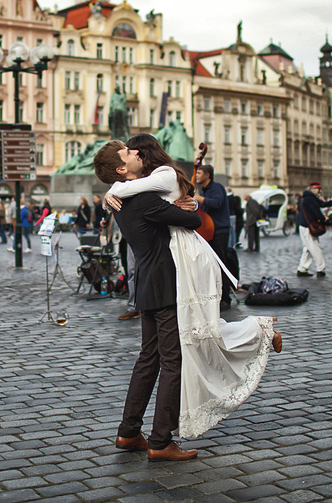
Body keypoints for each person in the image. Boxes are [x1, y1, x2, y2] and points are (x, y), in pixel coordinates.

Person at [95, 137, 280, 460]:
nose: (135, 151)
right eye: (128, 151)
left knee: (147, 360)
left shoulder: (122, 201)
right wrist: (190, 208)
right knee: (171, 362)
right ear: (122, 168)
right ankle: (160, 441)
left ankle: (128, 432)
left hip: (146, 286)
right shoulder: (145, 199)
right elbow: (193, 222)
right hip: (167, 284)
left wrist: (111, 192)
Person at [194, 164, 233, 310]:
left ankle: (226, 298)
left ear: (207, 175)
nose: (197, 175)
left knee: (221, 264)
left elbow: (216, 203)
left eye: (199, 173)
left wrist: (198, 198)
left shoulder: (216, 188)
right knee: (211, 265)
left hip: (219, 230)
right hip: (209, 231)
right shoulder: (205, 190)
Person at [295, 181, 332, 278]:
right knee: (315, 248)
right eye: (318, 189)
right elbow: (317, 212)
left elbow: (322, 204)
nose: (320, 191)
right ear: (313, 189)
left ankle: (302, 268)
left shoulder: (307, 198)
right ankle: (321, 269)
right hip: (308, 227)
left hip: (304, 226)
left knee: (307, 249)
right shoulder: (310, 199)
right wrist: (326, 222)